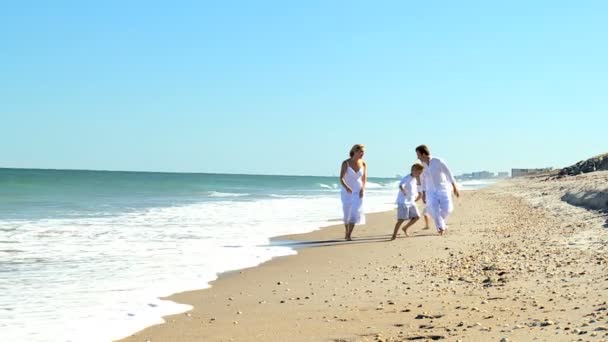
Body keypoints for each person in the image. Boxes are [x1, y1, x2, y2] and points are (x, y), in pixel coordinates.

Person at [416, 145, 460, 236]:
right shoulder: (422, 166)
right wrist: (423, 193)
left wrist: (455, 187)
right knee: (433, 209)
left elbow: (448, 174)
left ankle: (441, 223)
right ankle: (440, 227)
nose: (417, 157)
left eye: (418, 155)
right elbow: (422, 179)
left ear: (423, 154)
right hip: (430, 191)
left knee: (448, 209)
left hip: (443, 189)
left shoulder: (438, 161)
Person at [340, 144, 367, 241]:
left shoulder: (363, 163)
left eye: (363, 152)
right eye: (360, 151)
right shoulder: (346, 163)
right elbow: (341, 178)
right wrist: (347, 187)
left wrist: (362, 189)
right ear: (354, 151)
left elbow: (364, 179)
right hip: (346, 192)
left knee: (354, 212)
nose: (362, 154)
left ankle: (349, 234)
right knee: (346, 213)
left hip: (358, 191)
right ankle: (346, 232)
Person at [391, 163, 424, 240]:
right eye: (418, 172)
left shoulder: (416, 178)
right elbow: (401, 185)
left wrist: (419, 194)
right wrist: (403, 191)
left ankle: (405, 228)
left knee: (417, 217)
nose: (419, 174)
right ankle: (394, 235)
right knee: (401, 219)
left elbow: (418, 187)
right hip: (403, 202)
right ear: (412, 170)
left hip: (411, 201)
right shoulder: (407, 178)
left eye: (420, 173)